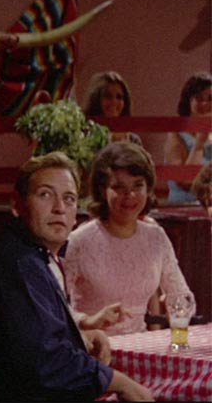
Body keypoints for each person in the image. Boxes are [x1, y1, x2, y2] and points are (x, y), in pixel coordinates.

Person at [0, 152, 153, 401]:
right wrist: (119, 382)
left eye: (69, 199)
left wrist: (80, 337)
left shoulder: (34, 257)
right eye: (45, 195)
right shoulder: (19, 263)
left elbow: (28, 341)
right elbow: (46, 363)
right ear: (17, 205)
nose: (59, 208)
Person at [65, 142, 192, 335]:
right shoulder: (79, 241)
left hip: (141, 346)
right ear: (103, 190)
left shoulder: (156, 237)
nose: (130, 195)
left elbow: (181, 296)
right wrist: (88, 321)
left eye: (138, 185)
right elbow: (53, 308)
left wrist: (179, 319)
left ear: (148, 188)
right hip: (92, 347)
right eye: (119, 187)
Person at [164, 72, 212, 204]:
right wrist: (199, 144)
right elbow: (185, 181)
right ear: (188, 101)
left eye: (210, 98)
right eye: (199, 98)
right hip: (183, 208)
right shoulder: (175, 135)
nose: (205, 104)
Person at [82, 71, 141, 145]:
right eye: (108, 96)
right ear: (96, 100)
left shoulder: (133, 139)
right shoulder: (85, 135)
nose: (114, 102)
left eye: (119, 97)